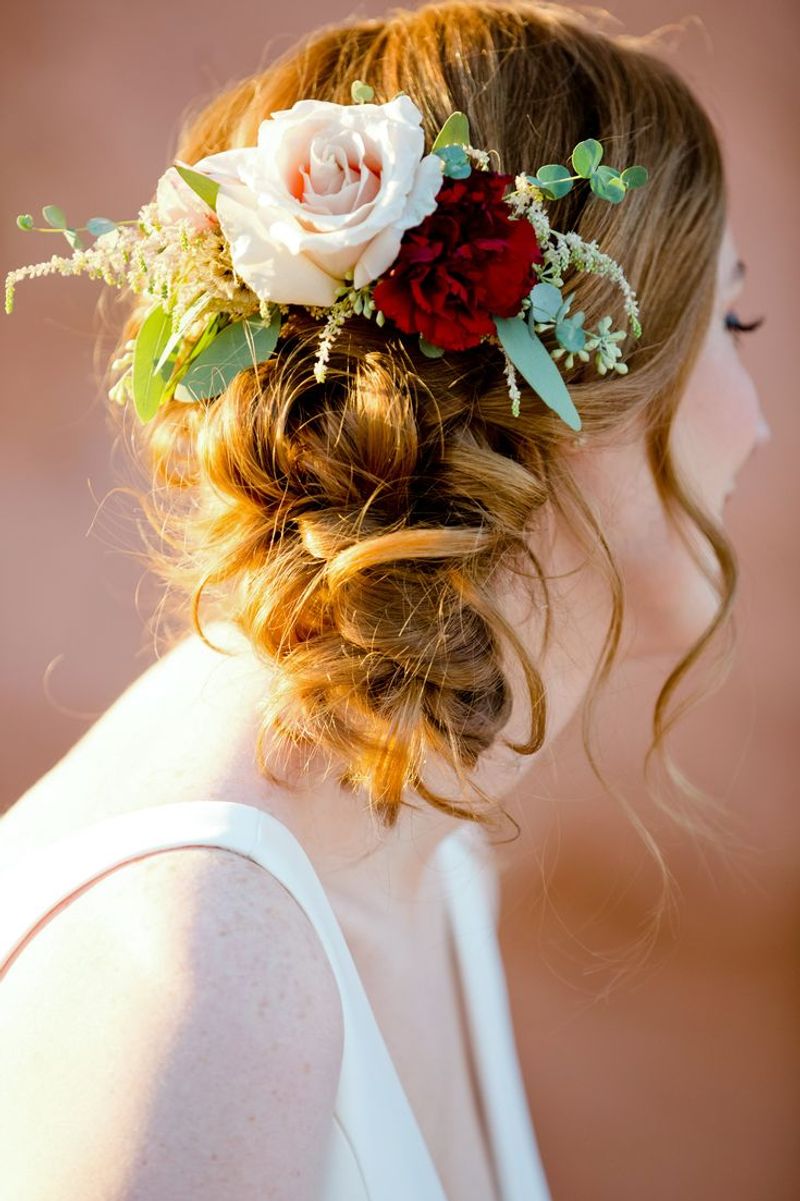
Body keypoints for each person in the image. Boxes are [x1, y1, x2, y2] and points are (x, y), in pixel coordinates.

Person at [0, 2, 768, 1199]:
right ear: (557, 380)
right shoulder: (207, 978)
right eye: (730, 321)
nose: (756, 422)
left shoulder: (414, 825)